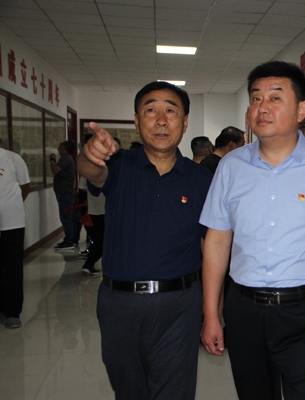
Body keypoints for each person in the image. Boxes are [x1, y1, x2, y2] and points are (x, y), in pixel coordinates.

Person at [200, 61, 305, 400]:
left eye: (275, 98)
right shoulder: (231, 167)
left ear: (301, 109)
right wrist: (211, 314)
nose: (262, 107)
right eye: (256, 98)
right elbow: (216, 243)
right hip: (244, 309)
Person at [77, 81, 212, 399]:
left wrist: (212, 312)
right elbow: (91, 171)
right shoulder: (119, 165)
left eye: (171, 111)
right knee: (129, 391)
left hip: (180, 304)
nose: (161, 120)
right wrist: (90, 155)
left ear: (185, 122)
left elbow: (212, 247)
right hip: (120, 304)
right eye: (151, 110)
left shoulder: (202, 179)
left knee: (174, 392)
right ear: (137, 121)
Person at [0, 138, 30, 329]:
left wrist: (11, 207)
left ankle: (13, 312)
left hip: (12, 223)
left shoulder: (13, 159)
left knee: (12, 267)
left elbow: (25, 187)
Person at [50, 140, 77, 251]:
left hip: (65, 193)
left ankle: (69, 241)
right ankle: (69, 239)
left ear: (65, 148)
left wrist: (52, 160)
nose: (58, 149)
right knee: (66, 217)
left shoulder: (66, 159)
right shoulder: (67, 159)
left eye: (60, 147)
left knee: (66, 217)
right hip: (64, 192)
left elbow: (55, 170)